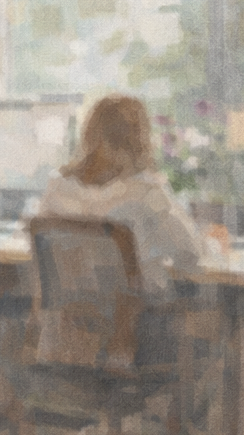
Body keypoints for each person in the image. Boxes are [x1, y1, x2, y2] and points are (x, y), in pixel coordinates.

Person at [37, 95, 209, 298]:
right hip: (136, 323)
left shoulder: (58, 187)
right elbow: (192, 254)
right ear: (140, 138)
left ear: (89, 134)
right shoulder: (146, 192)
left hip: (65, 324)